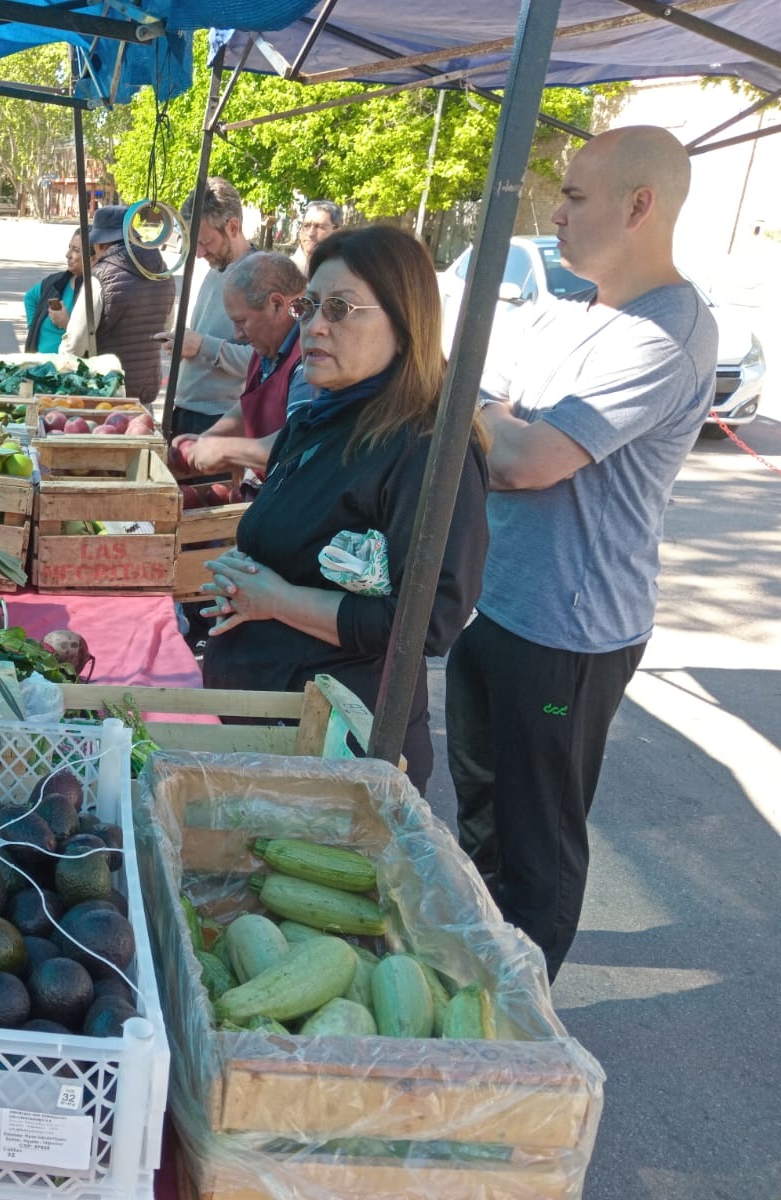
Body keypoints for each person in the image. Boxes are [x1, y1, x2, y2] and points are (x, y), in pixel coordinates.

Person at [446, 125, 718, 981]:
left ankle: (523, 1011)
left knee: (541, 837)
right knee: (483, 812)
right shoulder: (571, 306)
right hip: (499, 606)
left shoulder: (663, 334)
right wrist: (489, 406)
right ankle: (480, 959)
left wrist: (482, 406)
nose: (553, 214)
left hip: (569, 637)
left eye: (573, 196)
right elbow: (481, 397)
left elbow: (525, 460)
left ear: (640, 205)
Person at [199, 225, 489, 792]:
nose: (314, 325)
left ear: (405, 325)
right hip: (271, 730)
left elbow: (424, 623)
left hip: (338, 750)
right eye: (310, 307)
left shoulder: (428, 448)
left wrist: (277, 600)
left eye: (341, 308)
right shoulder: (317, 420)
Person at [187, 251, 310, 480]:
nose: (237, 334)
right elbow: (252, 405)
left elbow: (299, 443)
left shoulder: (310, 356)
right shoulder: (268, 345)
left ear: (276, 304)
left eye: (242, 321)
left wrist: (225, 450)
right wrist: (210, 437)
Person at [156, 177, 258, 436]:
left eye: (205, 242)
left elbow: (262, 362)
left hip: (220, 420)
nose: (199, 253)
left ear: (233, 227)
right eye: (194, 243)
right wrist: (185, 343)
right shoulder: (216, 269)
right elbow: (207, 335)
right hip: (186, 410)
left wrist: (202, 345)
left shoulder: (260, 277)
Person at [63, 205, 176, 406]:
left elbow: (75, 343)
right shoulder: (164, 274)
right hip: (144, 390)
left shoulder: (100, 278)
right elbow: (165, 329)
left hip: (106, 392)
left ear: (102, 245)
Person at [22, 233, 82, 353]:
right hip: (38, 364)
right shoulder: (56, 281)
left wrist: (67, 324)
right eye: (69, 248)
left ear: (93, 256)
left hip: (68, 367)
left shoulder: (94, 290)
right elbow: (30, 297)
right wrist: (33, 326)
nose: (68, 255)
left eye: (75, 250)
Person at [290, 200, 341, 275]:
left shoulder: (346, 272)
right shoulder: (282, 270)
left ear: (336, 232)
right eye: (306, 226)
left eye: (319, 227)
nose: (311, 233)